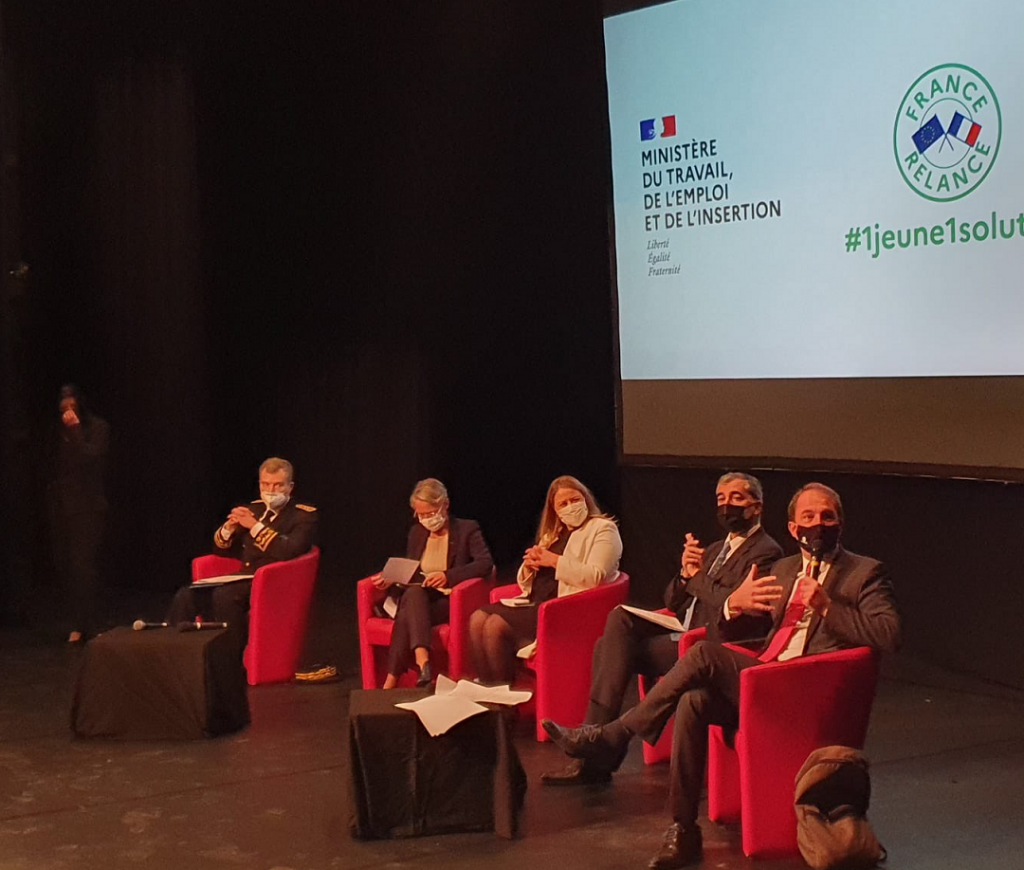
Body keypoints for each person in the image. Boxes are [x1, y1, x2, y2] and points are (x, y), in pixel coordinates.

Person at [542, 482, 901, 870]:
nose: (818, 524)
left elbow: (888, 634)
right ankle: (683, 828)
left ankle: (615, 733)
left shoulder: (864, 572)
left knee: (701, 655)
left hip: (805, 687)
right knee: (692, 701)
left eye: (827, 516)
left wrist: (827, 606)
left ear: (841, 523)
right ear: (794, 528)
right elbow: (740, 634)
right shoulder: (784, 570)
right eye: (809, 518)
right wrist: (735, 608)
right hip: (765, 675)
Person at [541, 472, 782, 786]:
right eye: (721, 499)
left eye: (736, 498)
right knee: (618, 622)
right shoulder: (713, 549)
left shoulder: (766, 552)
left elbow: (737, 603)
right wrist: (684, 575)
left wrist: (699, 581)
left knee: (606, 647)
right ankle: (596, 746)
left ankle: (594, 754)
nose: (726, 506)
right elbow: (674, 600)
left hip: (708, 643)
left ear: (756, 507)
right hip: (682, 628)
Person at [469, 474, 622, 684]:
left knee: (495, 625)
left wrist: (554, 561)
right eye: (563, 504)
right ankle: (489, 693)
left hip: (563, 609)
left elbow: (595, 576)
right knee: (477, 618)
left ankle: (504, 704)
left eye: (575, 500)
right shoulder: (553, 535)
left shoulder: (602, 529)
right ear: (556, 511)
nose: (570, 506)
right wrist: (530, 567)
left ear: (586, 499)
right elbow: (525, 583)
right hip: (535, 602)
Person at [165, 457, 317, 646]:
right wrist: (229, 528)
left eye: (278, 485)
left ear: (290, 487)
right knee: (186, 595)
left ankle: (230, 658)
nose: (271, 491)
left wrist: (254, 526)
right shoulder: (254, 508)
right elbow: (221, 551)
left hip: (274, 580)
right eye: (266, 484)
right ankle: (176, 653)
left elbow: (289, 550)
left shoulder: (303, 515)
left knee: (224, 597)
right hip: (244, 577)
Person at [376, 478, 494, 688]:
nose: (426, 519)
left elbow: (485, 564)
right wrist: (392, 578)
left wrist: (448, 575)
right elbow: (411, 568)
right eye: (421, 515)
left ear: (445, 505)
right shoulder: (417, 533)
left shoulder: (467, 529)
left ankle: (391, 681)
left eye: (430, 513)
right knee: (413, 596)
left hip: (449, 601)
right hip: (421, 597)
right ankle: (424, 665)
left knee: (407, 611)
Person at [48, 384, 111, 643]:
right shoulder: (56, 432)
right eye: (64, 409)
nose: (68, 413)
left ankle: (85, 624)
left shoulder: (97, 428)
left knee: (83, 565)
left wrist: (74, 431)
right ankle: (75, 620)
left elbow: (90, 457)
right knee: (65, 565)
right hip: (62, 506)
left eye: (72, 407)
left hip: (88, 506)